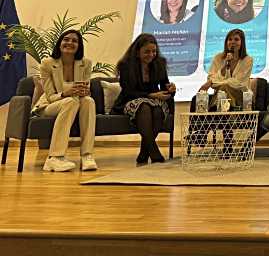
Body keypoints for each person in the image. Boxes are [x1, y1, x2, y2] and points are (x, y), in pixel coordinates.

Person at [33, 30, 97, 172]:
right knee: (70, 101)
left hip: (75, 102)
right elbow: (50, 96)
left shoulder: (85, 63)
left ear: (79, 46)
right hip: (49, 105)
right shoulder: (47, 63)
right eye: (66, 39)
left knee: (89, 101)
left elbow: (85, 89)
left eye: (75, 41)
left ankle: (87, 155)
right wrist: (66, 93)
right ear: (60, 43)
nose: (70, 43)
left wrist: (85, 92)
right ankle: (54, 158)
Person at [112, 34, 175, 164]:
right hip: (131, 100)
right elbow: (129, 91)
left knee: (157, 110)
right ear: (137, 52)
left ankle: (144, 153)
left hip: (154, 102)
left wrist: (170, 89)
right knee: (145, 107)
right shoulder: (125, 65)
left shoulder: (160, 63)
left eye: (154, 51)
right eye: (147, 51)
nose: (151, 55)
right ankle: (154, 152)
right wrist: (151, 95)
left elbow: (164, 87)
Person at [198, 28, 253, 108]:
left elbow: (238, 83)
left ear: (242, 43)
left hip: (242, 97)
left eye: (236, 39)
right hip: (220, 95)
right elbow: (211, 78)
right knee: (221, 91)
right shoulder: (218, 58)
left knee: (225, 87)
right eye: (230, 39)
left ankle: (219, 114)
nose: (232, 42)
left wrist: (211, 82)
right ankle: (224, 115)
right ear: (226, 42)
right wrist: (225, 64)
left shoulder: (248, 60)